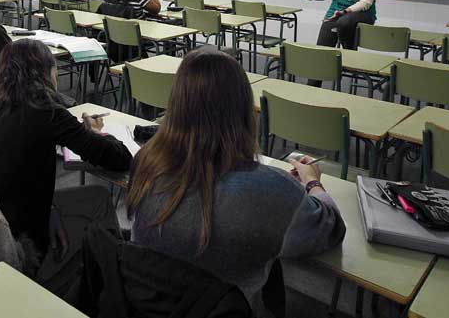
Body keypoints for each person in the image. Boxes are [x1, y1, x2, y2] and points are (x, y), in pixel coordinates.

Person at [127, 48, 345, 304]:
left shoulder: (146, 161)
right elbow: (330, 229)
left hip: (144, 303)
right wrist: (313, 182)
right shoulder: (271, 190)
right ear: (243, 111)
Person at [0, 39, 132, 296]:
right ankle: (110, 280)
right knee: (98, 199)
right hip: (16, 241)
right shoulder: (45, 110)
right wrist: (99, 134)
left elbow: (10, 169)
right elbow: (118, 159)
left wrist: (49, 207)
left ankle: (105, 269)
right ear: (45, 72)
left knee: (92, 198)